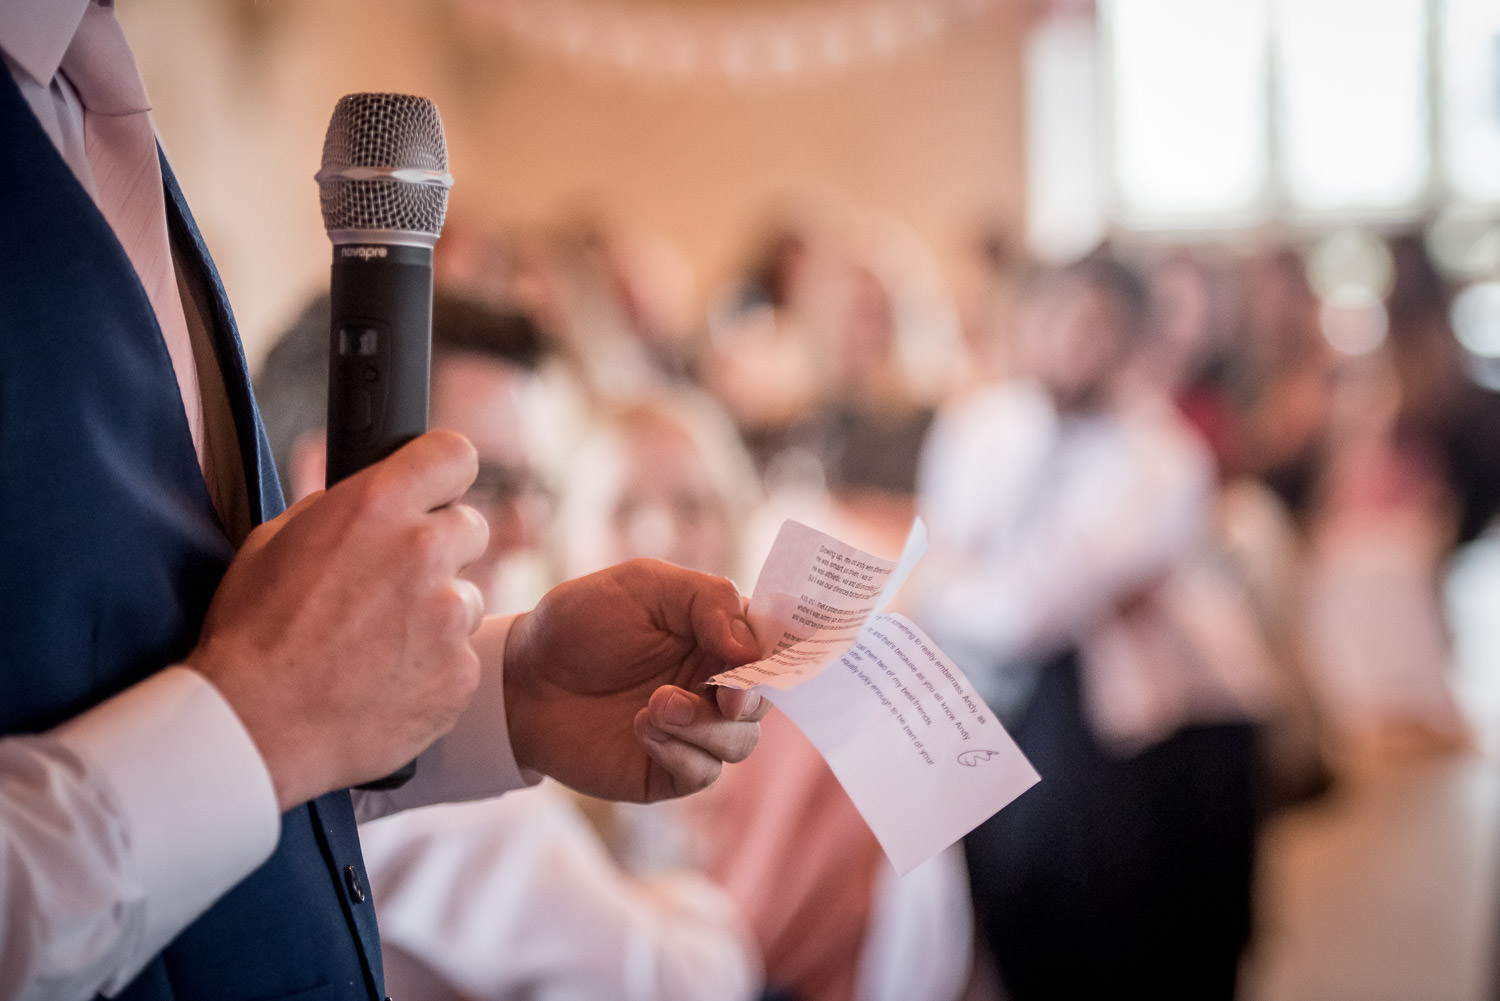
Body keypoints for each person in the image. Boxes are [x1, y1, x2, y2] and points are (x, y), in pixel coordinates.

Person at [0, 5, 766, 1000]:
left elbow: (136, 658)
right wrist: (253, 725)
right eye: (486, 479)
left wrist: (509, 690)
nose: (513, 523)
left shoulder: (87, 94)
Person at [256, 291, 765, 1001]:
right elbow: (669, 983)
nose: (525, 534)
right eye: (485, 485)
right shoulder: (390, 743)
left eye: (536, 490)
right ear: (331, 485)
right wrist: (696, 905)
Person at [913, 251, 1269, 1001]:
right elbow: (945, 567)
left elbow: (1025, 608)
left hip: (1126, 727)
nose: (1076, 339)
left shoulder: (1160, 452)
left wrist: (963, 584)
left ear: (1133, 338)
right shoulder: (979, 425)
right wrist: (966, 585)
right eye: (1059, 315)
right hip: (981, 691)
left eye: (1101, 323)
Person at [551, 390, 975, 1001]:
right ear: (563, 535)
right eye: (622, 508)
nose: (662, 534)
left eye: (693, 506)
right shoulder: (528, 738)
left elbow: (920, 931)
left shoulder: (817, 718)